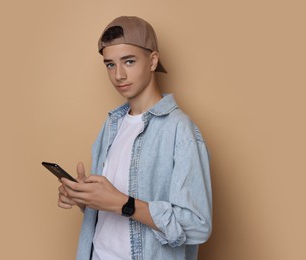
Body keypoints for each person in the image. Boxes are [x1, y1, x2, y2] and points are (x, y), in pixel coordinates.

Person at [58, 16, 212, 260]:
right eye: (110, 64)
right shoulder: (112, 125)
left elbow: (196, 225)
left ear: (152, 61)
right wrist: (83, 198)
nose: (118, 75)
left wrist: (124, 204)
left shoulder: (180, 130)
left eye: (128, 61)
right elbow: (108, 212)